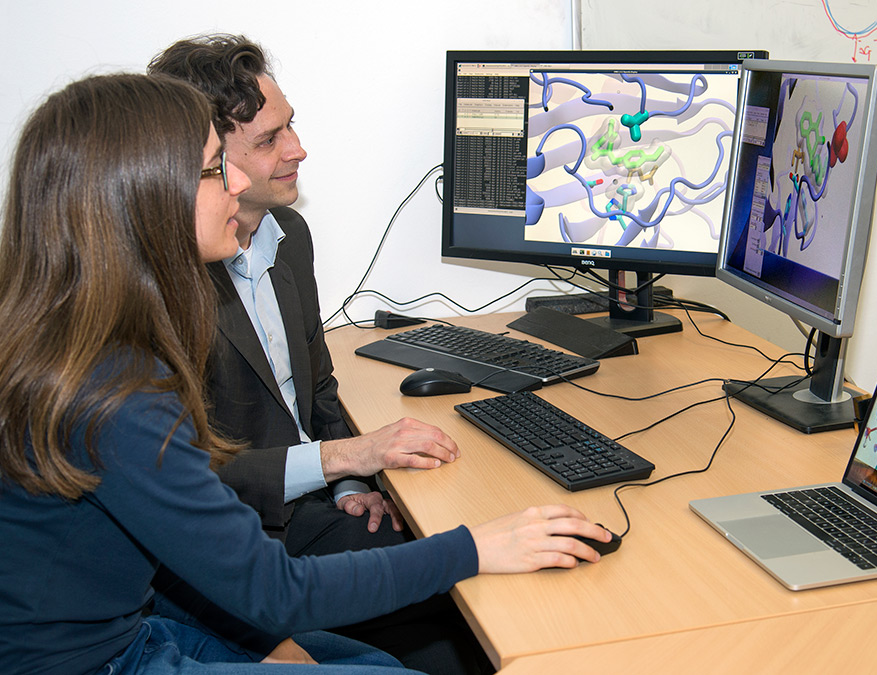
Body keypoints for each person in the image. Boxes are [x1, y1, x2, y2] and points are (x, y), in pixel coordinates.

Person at [0, 72, 614, 675]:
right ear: (142, 198)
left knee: (370, 661)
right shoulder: (115, 390)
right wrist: (478, 547)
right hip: (96, 659)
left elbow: (171, 549)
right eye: (217, 168)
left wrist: (262, 629)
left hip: (129, 621)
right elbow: (273, 589)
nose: (238, 182)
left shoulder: (82, 341)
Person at [146, 34, 478, 673]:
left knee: (469, 558)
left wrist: (355, 481)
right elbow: (188, 479)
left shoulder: (287, 235)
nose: (297, 149)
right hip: (241, 543)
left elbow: (318, 389)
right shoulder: (165, 285)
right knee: (469, 581)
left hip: (315, 509)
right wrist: (345, 457)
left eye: (289, 126)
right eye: (268, 140)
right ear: (207, 161)